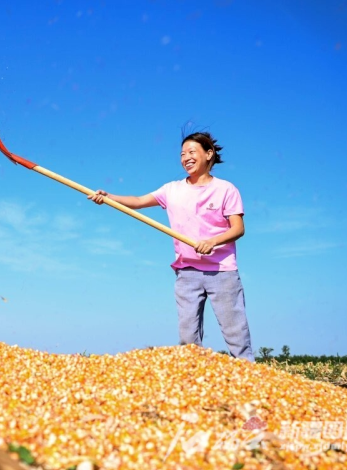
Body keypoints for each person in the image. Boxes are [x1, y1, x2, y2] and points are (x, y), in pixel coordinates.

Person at [87, 132, 254, 361]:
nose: (186, 157)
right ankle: (194, 380)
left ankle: (250, 377)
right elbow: (137, 201)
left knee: (236, 332)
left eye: (192, 152)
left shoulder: (226, 189)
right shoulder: (172, 190)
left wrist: (212, 242)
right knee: (188, 337)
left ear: (209, 154)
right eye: (182, 154)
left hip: (222, 270)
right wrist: (108, 197)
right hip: (187, 271)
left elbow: (238, 228)